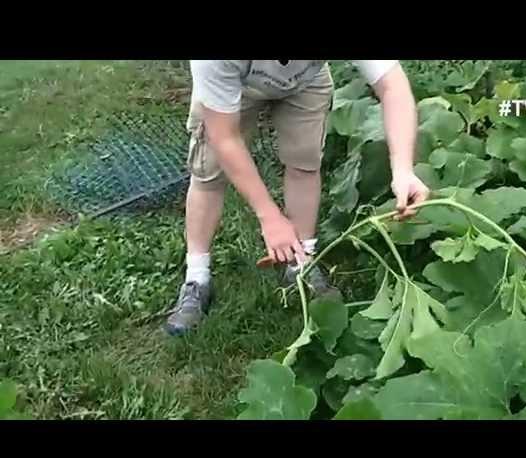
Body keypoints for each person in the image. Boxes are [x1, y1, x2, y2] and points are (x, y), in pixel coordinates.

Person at [166, 60, 430, 335]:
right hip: (237, 85)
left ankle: (302, 264)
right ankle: (197, 278)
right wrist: (269, 216)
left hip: (306, 82)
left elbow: (393, 87)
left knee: (305, 164)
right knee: (209, 173)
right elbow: (224, 139)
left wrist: (403, 170)